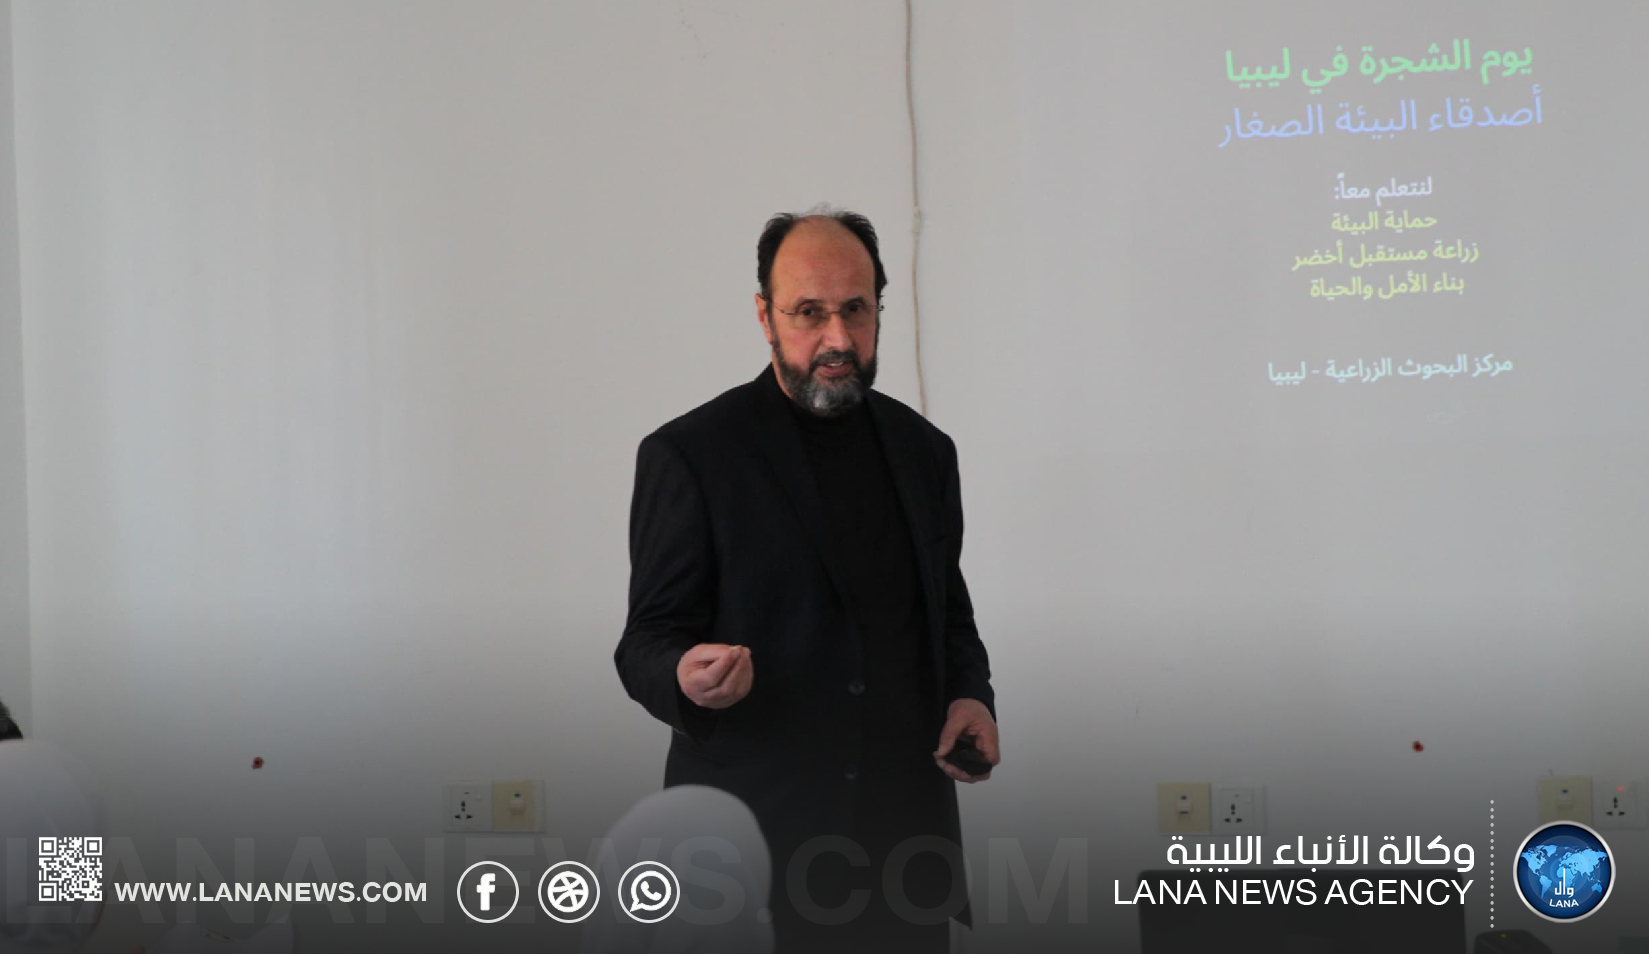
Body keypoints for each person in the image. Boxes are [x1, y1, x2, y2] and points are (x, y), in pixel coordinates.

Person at [615, 208, 999, 952]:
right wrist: (685, 677)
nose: (838, 338)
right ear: (766, 316)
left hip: (901, 853)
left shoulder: (925, 451)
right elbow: (645, 643)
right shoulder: (691, 455)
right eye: (809, 313)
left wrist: (969, 695)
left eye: (856, 310)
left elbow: (947, 612)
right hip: (750, 853)